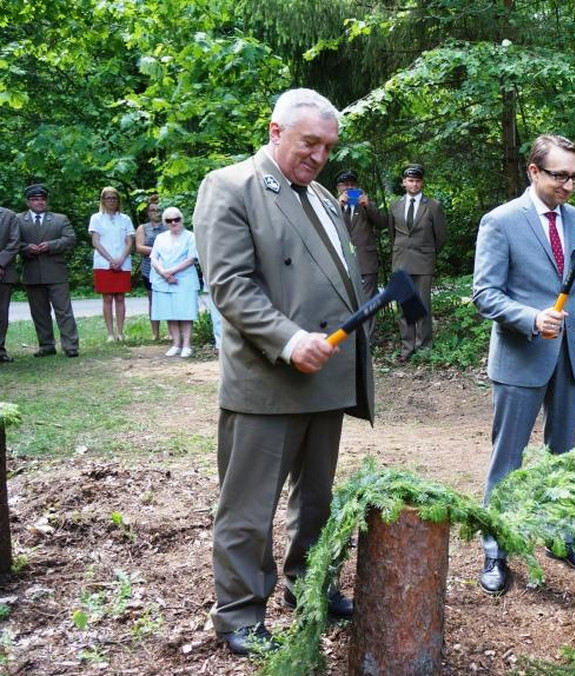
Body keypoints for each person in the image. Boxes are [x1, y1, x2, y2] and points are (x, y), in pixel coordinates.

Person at [193, 88, 374, 657]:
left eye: (327, 146)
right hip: (268, 379)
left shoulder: (320, 195)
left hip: (326, 374)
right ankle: (240, 613)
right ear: (275, 131)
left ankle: (308, 584)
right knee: (248, 507)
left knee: (315, 498)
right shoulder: (230, 186)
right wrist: (290, 340)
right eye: (308, 142)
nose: (319, 155)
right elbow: (230, 285)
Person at [472, 134, 575, 595]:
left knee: (563, 454)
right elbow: (484, 294)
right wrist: (531, 318)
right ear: (534, 172)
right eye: (559, 176)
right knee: (507, 458)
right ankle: (495, 546)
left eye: (574, 176)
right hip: (520, 356)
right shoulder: (501, 222)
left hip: (570, 358)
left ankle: (556, 532)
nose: (569, 185)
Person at [389, 163, 446, 360]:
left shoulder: (433, 206)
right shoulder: (395, 206)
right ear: (404, 182)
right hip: (401, 262)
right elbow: (392, 234)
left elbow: (441, 237)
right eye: (410, 180)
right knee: (404, 307)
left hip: (423, 262)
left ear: (422, 183)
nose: (414, 184)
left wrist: (428, 253)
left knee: (422, 306)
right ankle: (407, 348)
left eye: (417, 181)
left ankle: (424, 348)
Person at [18, 184, 80, 358]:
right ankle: (46, 345)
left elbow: (70, 239)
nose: (40, 202)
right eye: (35, 199)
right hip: (32, 272)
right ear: (28, 201)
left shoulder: (60, 219)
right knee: (39, 312)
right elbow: (12, 242)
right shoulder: (18, 220)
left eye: (42, 199)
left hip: (56, 272)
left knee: (64, 310)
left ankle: (71, 346)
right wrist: (26, 248)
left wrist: (51, 246)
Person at [334, 169, 386, 339]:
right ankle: (351, 339)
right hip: (342, 262)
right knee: (347, 301)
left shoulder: (365, 205)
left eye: (352, 185)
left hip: (366, 261)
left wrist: (367, 205)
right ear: (338, 188)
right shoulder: (331, 206)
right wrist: (337, 205)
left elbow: (382, 223)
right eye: (345, 185)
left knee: (368, 301)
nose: (348, 188)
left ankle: (368, 340)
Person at [150, 207, 200, 357]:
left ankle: (187, 345)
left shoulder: (190, 236)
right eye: (169, 220)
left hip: (184, 279)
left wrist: (171, 272)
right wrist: (164, 273)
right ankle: (176, 344)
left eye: (176, 219)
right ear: (165, 222)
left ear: (181, 219)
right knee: (169, 312)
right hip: (163, 280)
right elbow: (153, 257)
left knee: (185, 313)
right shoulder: (160, 238)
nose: (173, 222)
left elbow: (191, 258)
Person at [89, 186, 136, 343]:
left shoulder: (125, 219)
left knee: (120, 297)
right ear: (103, 200)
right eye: (108, 198)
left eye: (114, 198)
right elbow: (96, 241)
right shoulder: (96, 218)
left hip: (122, 262)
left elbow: (130, 241)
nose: (111, 201)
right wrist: (110, 259)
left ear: (118, 200)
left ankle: (120, 332)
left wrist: (121, 258)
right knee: (107, 298)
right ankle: (110, 333)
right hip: (104, 263)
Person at [136, 202, 169, 341]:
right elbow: (139, 247)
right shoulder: (143, 228)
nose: (155, 212)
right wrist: (158, 251)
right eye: (152, 210)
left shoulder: (168, 226)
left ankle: (171, 332)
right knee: (153, 301)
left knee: (168, 299)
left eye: (158, 209)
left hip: (167, 268)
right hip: (149, 269)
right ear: (148, 212)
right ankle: (155, 333)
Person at [0, 206, 19, 364]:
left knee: (1, 313)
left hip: (3, 272)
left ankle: (0, 350)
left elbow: (14, 242)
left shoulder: (9, 216)